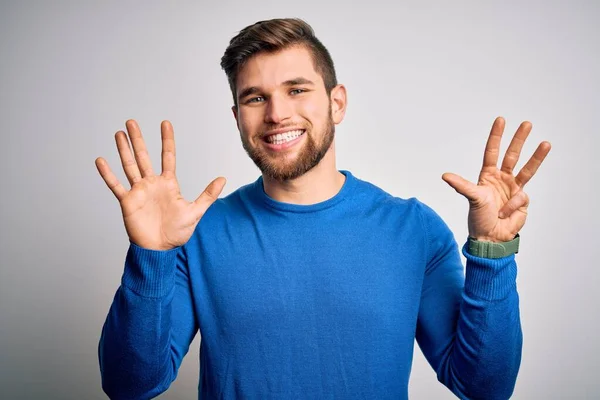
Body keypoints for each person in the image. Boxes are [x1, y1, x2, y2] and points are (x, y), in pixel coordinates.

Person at [96, 18, 551, 400]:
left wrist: (493, 253)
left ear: (337, 103)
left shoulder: (414, 230)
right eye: (255, 97)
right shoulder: (196, 233)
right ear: (237, 116)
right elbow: (130, 384)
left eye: (297, 90)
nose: (276, 113)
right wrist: (150, 256)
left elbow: (484, 386)